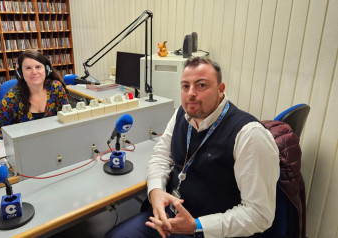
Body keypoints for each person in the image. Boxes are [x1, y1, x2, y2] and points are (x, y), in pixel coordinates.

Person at [105, 57, 280, 238]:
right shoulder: (182, 113)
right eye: (185, 86)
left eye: (201, 85)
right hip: (168, 216)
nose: (191, 93)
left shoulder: (250, 135)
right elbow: (161, 156)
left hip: (209, 230)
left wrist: (196, 226)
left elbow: (260, 215)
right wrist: (156, 191)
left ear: (220, 90)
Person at [0, 50, 69, 150]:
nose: (34, 72)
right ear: (20, 73)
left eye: (38, 67)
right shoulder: (13, 96)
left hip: (53, 143)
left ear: (46, 69)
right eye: (28, 68)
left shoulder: (56, 88)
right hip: (25, 148)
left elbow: (66, 117)